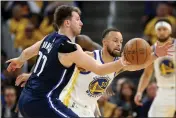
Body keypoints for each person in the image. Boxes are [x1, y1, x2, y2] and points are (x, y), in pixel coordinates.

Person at [12, 26, 173, 117]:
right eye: (115, 40)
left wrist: (156, 54)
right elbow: (56, 65)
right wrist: (33, 76)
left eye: (121, 42)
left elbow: (137, 65)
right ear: (104, 42)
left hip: (88, 110)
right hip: (69, 106)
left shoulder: (118, 65)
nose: (119, 44)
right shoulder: (88, 56)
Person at [6, 5, 134, 118]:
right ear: (67, 23)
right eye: (77, 19)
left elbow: (27, 53)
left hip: (25, 99)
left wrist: (19, 61)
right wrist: (122, 62)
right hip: (44, 102)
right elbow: (99, 69)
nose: (81, 23)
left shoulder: (49, 38)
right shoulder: (71, 48)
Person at [135, 19, 176, 117]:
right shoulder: (152, 50)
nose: (162, 32)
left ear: (170, 31)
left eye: (164, 29)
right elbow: (147, 74)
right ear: (155, 31)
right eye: (159, 29)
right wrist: (139, 92)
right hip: (164, 91)